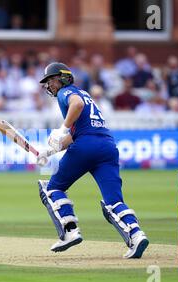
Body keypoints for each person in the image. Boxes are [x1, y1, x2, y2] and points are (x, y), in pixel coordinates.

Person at [36, 62, 149, 259]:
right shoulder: (85, 95)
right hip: (107, 148)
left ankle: (70, 232)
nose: (49, 85)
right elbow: (77, 132)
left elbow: (76, 106)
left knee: (52, 188)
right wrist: (49, 151)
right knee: (113, 201)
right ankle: (136, 234)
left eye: (51, 80)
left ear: (62, 78)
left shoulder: (67, 92)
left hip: (85, 147)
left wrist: (61, 128)